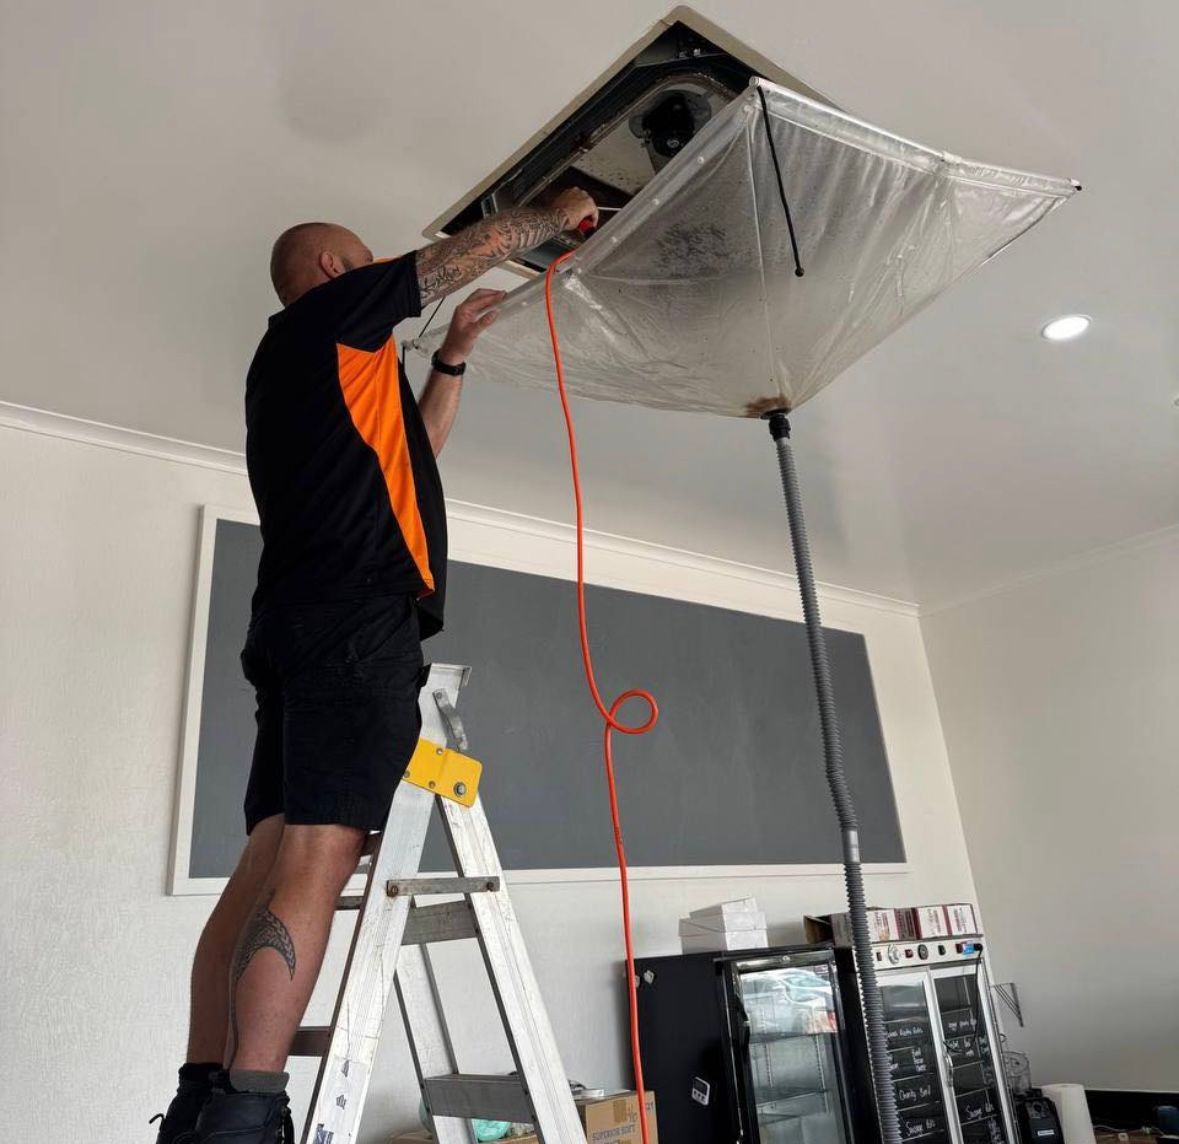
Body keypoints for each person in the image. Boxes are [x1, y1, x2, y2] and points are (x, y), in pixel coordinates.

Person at [150, 188, 599, 1144]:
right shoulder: (324, 317)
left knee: (268, 859)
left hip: (299, 622)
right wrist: (554, 211)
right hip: (355, 621)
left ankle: (199, 1104)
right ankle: (248, 1111)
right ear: (330, 270)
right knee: (320, 853)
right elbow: (450, 259)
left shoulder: (316, 377)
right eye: (363, 261)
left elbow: (413, 456)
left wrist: (453, 357)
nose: (377, 274)